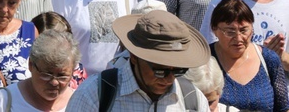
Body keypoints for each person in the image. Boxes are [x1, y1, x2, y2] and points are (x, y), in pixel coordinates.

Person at [66, 10, 210, 109]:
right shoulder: (94, 95)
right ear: (134, 57)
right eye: (160, 71)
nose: (169, 79)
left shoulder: (193, 101)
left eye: (179, 70)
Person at [206, 0, 289, 111]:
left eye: (244, 30)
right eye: (230, 32)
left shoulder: (269, 59)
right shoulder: (205, 60)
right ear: (214, 29)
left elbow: (283, 108)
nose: (239, 38)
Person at [0, 30, 80, 112]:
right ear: (31, 65)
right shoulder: (3, 101)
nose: (54, 82)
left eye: (62, 76)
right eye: (46, 74)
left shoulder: (81, 102)